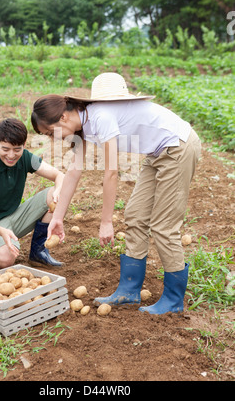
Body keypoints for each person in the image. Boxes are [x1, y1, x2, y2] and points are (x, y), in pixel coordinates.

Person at [31, 72, 201, 315]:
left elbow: (111, 172)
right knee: (135, 216)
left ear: (63, 116)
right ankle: (129, 291)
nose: (51, 138)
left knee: (164, 226)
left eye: (50, 132)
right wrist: (58, 217)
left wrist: (106, 222)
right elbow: (73, 173)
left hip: (178, 147)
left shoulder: (101, 117)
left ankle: (173, 300)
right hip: (157, 153)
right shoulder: (84, 126)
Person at [0, 118, 64, 273]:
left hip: (13, 218)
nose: (11, 155)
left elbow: (60, 176)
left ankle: (38, 252)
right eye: (5, 149)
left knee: (57, 194)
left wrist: (58, 192)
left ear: (24, 144)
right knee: (7, 257)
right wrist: (0, 231)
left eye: (17, 149)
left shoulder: (25, 157)